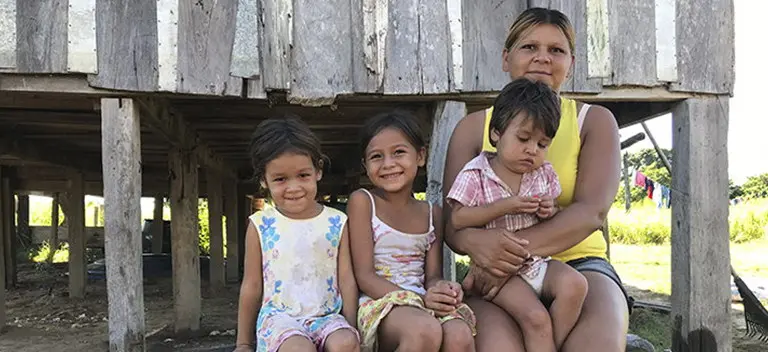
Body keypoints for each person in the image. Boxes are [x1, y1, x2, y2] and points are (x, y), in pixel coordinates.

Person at [441, 7, 632, 352]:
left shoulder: (593, 121)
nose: (542, 58)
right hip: (493, 270)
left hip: (579, 264)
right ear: (506, 58)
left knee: (597, 346)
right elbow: (453, 226)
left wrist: (505, 254)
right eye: (529, 47)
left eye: (556, 50)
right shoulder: (473, 128)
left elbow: (591, 212)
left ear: (570, 63)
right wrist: (488, 256)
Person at [446, 78, 587, 352]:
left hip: (536, 262)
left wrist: (550, 210)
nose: (532, 150)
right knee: (536, 319)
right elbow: (457, 219)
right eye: (523, 139)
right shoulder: (476, 173)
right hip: (499, 270)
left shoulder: (542, 174)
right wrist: (504, 206)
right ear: (496, 133)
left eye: (542, 144)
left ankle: (545, 345)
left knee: (576, 285)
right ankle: (541, 340)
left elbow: (554, 211)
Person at [347, 111, 476, 352]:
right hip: (379, 303)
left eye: (399, 152)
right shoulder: (363, 202)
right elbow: (364, 276)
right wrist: (416, 300)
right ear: (366, 166)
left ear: (420, 156)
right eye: (376, 156)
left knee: (459, 334)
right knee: (423, 330)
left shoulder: (432, 213)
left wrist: (442, 290)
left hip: (422, 301)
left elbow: (432, 276)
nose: (388, 164)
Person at [234, 116, 360, 352]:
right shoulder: (261, 224)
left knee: (345, 343)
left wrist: (352, 329)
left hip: (326, 317)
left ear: (318, 171)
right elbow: (251, 285)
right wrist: (243, 344)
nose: (293, 188)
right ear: (264, 179)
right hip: (279, 320)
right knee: (300, 349)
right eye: (280, 179)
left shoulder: (336, 222)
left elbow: (347, 280)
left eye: (303, 175)